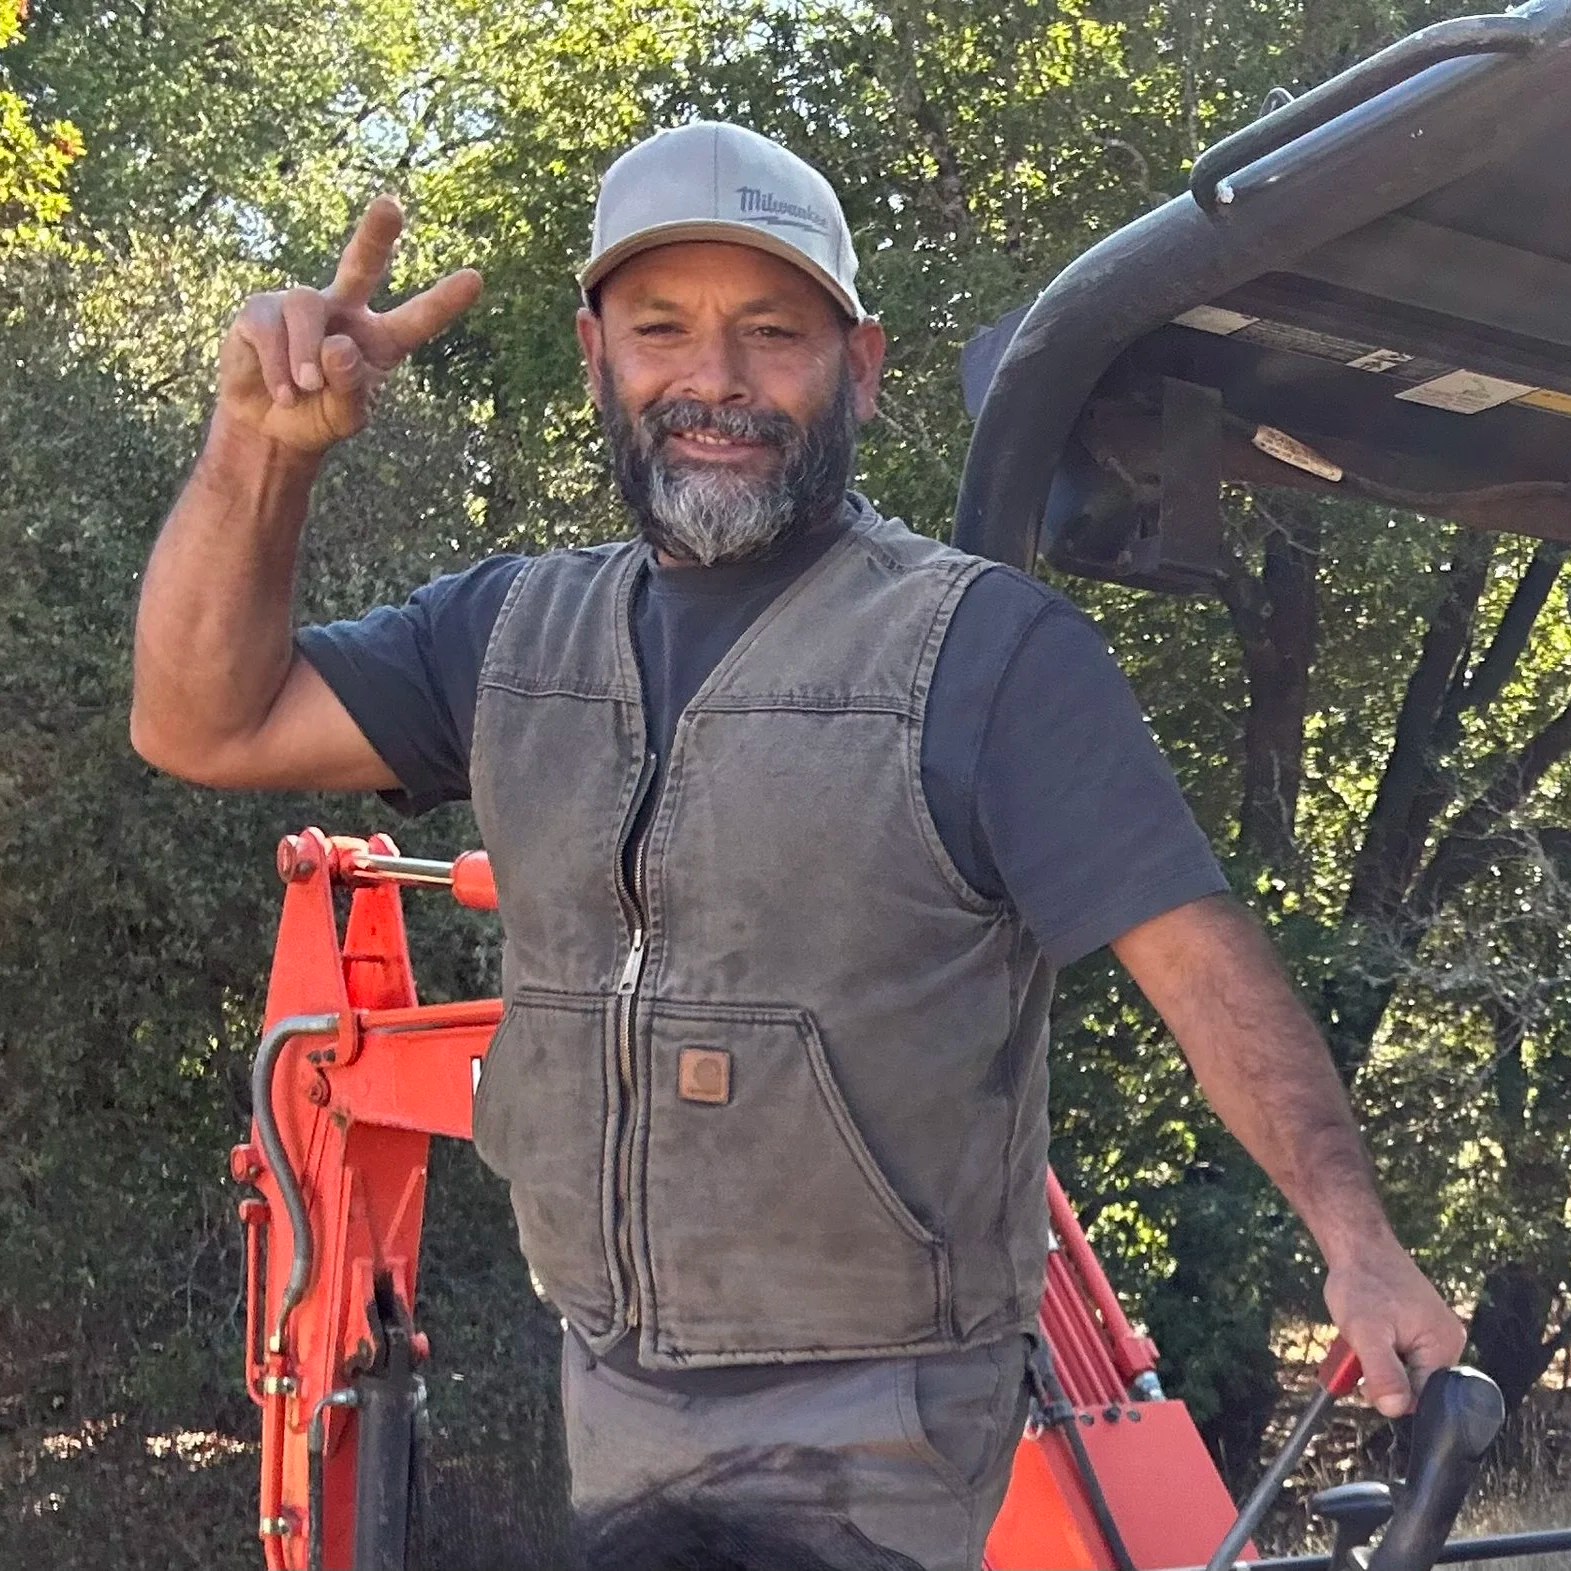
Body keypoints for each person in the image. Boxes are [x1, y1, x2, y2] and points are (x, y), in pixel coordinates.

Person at [131, 121, 1465, 1571]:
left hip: (871, 1425)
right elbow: (203, 721)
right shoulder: (509, 634)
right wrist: (259, 453)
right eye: (662, 330)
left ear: (861, 366)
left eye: (772, 333)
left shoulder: (979, 652)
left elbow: (1197, 958)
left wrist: (1355, 1233)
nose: (713, 379)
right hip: (612, 1381)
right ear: (596, 357)